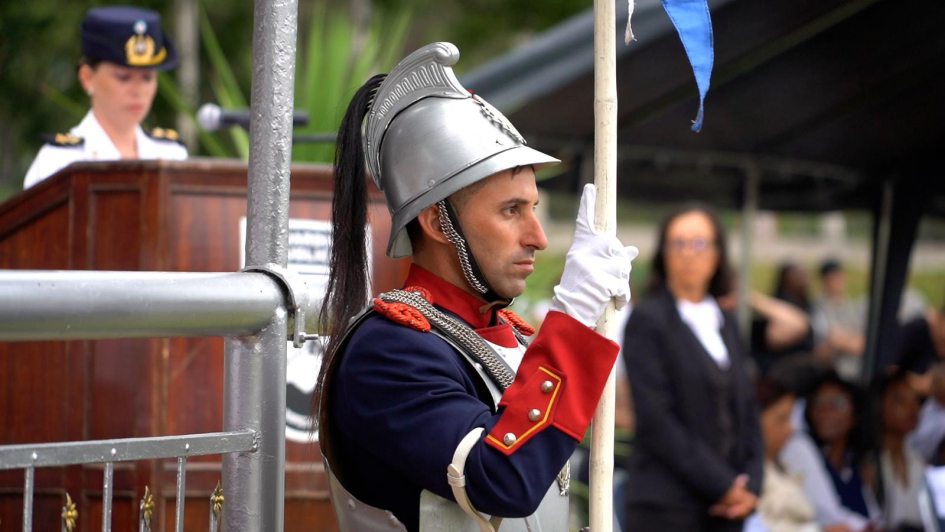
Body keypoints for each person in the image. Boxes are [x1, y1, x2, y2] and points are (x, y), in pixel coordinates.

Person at [314, 42, 637, 532]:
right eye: (511, 211)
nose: (538, 237)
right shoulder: (388, 351)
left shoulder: (505, 335)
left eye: (533, 208)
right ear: (437, 223)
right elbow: (501, 479)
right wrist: (571, 320)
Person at [621, 203, 763, 531]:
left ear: (717, 254)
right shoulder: (648, 320)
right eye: (678, 243)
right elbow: (657, 420)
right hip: (667, 506)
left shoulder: (725, 321)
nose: (688, 254)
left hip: (726, 509)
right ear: (663, 254)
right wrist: (723, 486)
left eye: (699, 243)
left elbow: (747, 409)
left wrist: (752, 484)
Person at [23, 6, 187, 189]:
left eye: (147, 77)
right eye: (123, 77)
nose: (138, 90)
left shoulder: (172, 155)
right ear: (87, 78)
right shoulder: (58, 162)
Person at [780, 372, 879, 530]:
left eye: (837, 402)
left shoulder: (853, 464)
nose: (825, 409)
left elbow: (874, 516)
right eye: (818, 402)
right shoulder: (800, 447)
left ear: (855, 414)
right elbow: (826, 514)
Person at [750, 378, 847, 532]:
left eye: (790, 418)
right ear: (753, 421)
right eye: (781, 419)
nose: (790, 428)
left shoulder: (779, 464)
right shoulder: (744, 476)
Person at [874, 370, 925, 532]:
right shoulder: (868, 462)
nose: (912, 408)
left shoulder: (919, 462)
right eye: (900, 400)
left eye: (916, 400)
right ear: (879, 404)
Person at [814, 259, 866, 381]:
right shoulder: (817, 306)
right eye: (832, 278)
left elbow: (865, 341)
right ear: (824, 280)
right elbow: (831, 339)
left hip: (858, 370)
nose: (837, 282)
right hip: (834, 373)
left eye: (838, 277)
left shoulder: (851, 305)